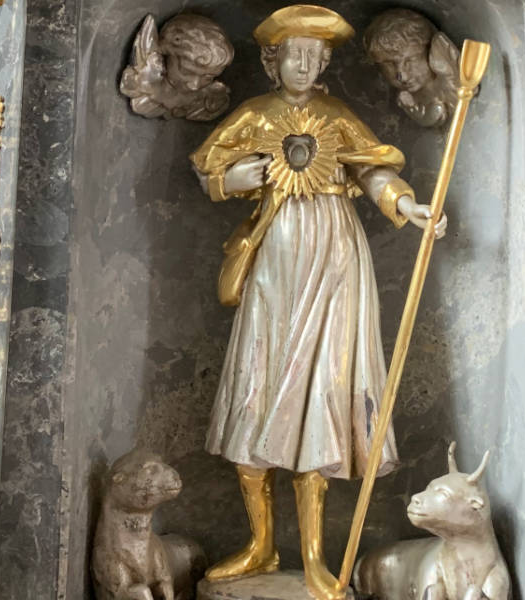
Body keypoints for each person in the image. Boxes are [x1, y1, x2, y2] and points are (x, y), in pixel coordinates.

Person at [189, 6, 447, 600]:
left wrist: (405, 205)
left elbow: (372, 171)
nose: (304, 65)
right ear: (272, 60)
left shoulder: (336, 116)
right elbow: (209, 171)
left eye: (314, 55)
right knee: (256, 390)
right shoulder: (255, 114)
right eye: (294, 54)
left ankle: (312, 556)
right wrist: (233, 180)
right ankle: (260, 544)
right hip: (275, 259)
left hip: (334, 258)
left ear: (325, 62)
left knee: (320, 399)